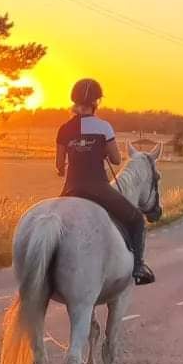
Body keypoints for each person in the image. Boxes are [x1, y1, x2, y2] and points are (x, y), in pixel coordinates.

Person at [55, 77, 155, 285]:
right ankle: (138, 267)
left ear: (74, 101)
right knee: (136, 219)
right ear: (97, 102)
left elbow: (58, 165)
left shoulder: (63, 129)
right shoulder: (104, 127)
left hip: (70, 190)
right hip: (98, 188)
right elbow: (117, 160)